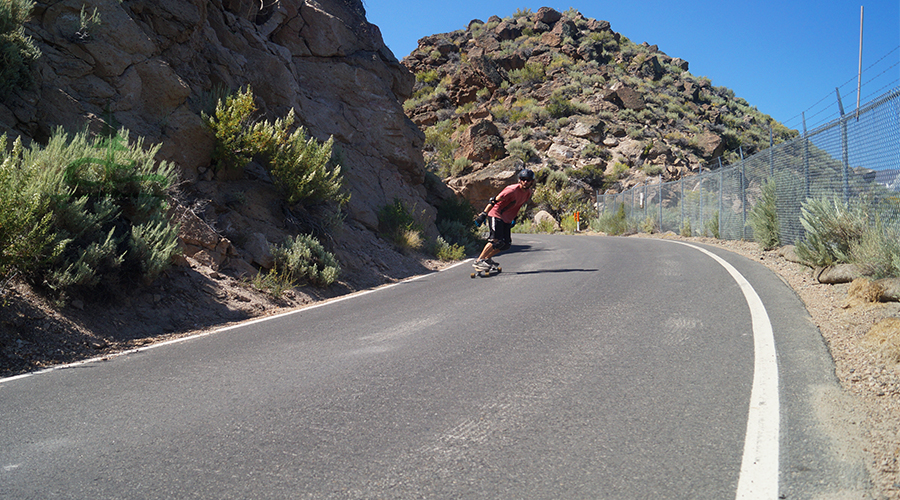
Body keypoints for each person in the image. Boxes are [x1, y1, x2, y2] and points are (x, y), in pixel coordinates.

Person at [473, 168, 535, 271]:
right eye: (523, 179)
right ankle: (479, 261)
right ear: (519, 179)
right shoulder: (511, 190)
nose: (525, 182)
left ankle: (487, 259)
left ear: (532, 181)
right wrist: (483, 214)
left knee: (505, 244)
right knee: (495, 240)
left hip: (506, 218)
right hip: (496, 214)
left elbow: (518, 205)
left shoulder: (528, 193)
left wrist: (514, 218)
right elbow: (493, 200)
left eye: (528, 180)